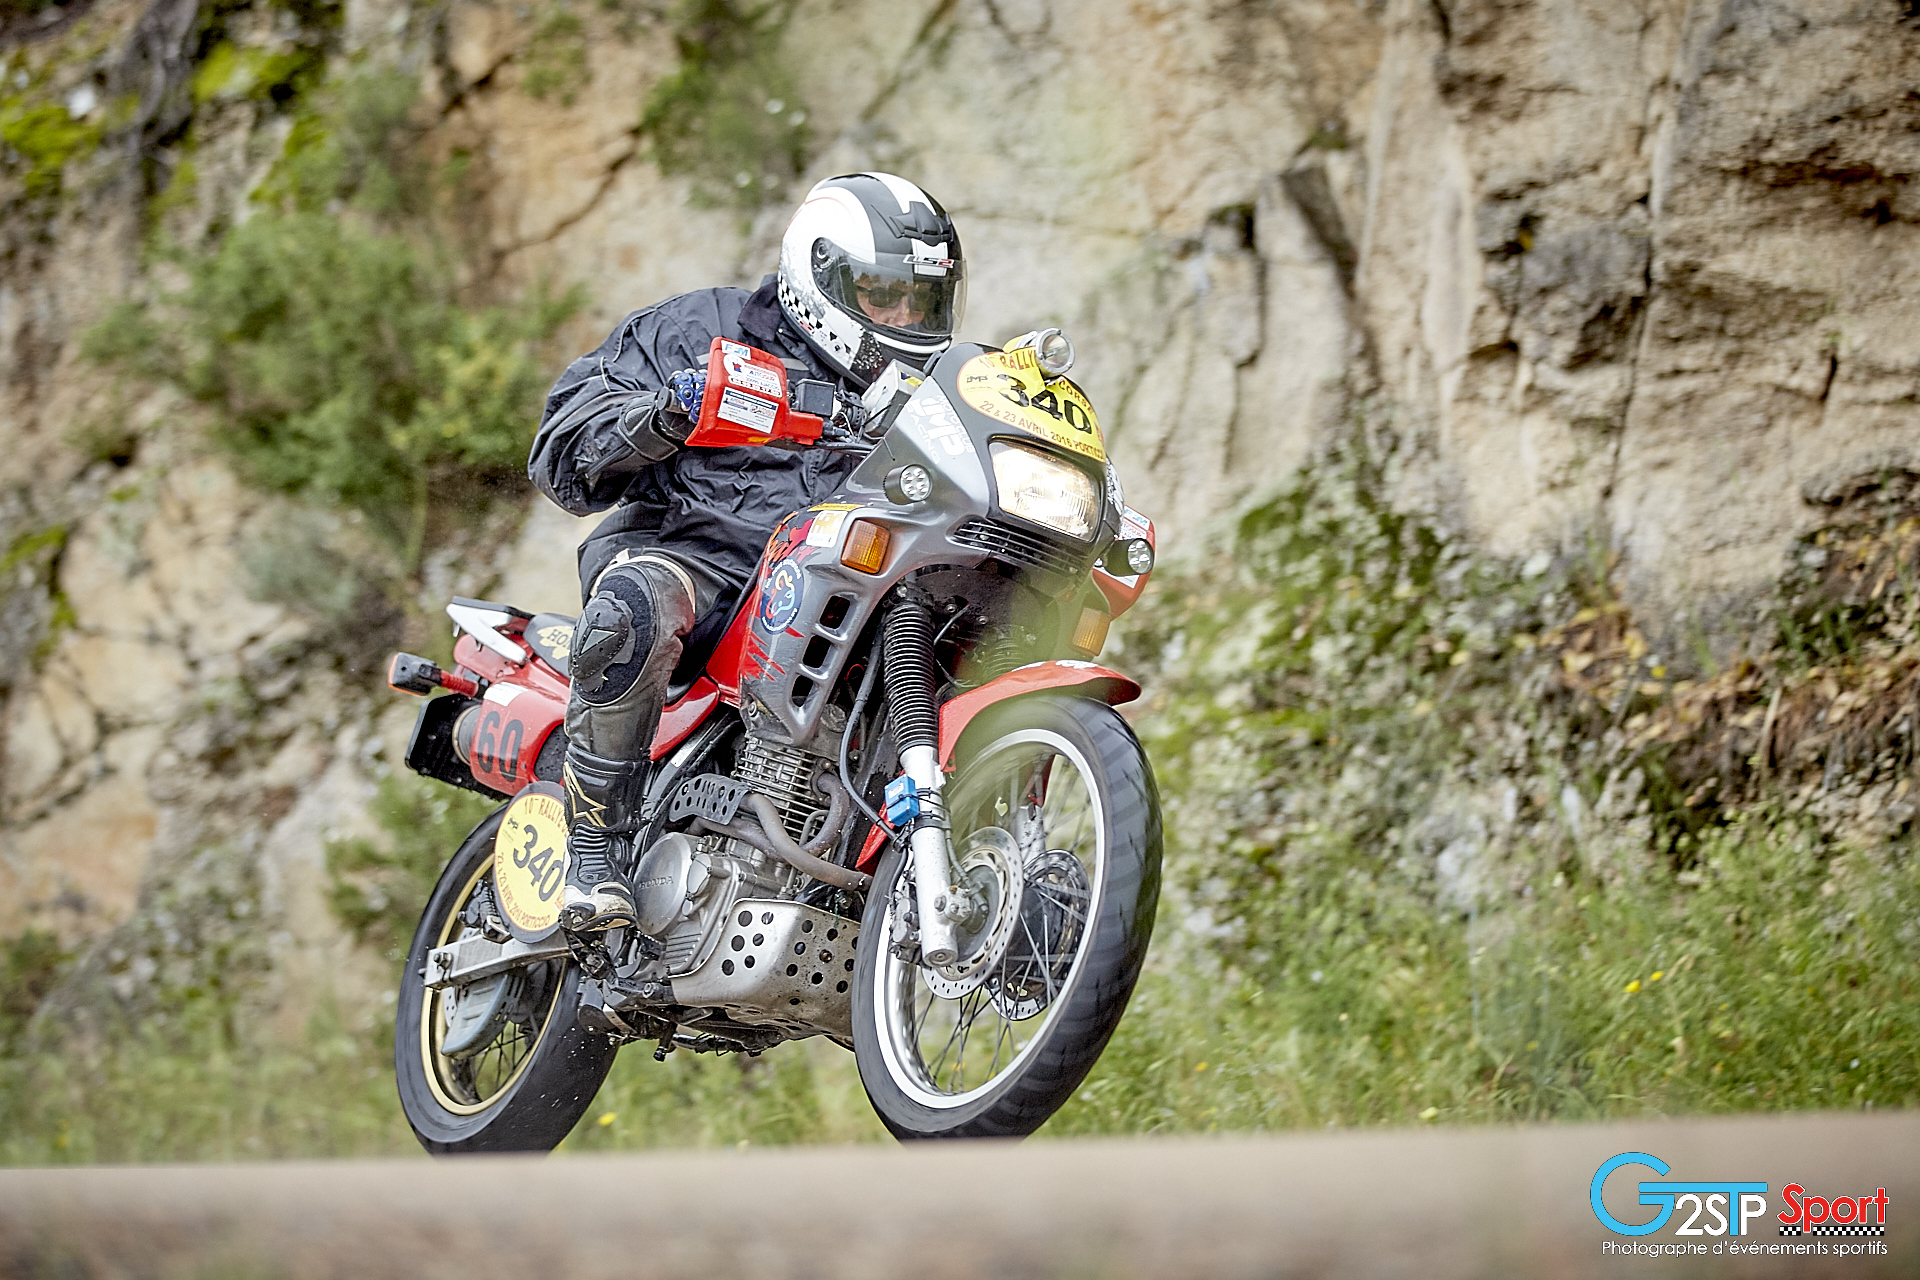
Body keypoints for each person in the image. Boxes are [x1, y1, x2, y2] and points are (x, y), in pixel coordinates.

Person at [526, 172, 966, 936]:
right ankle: (593, 854)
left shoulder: (933, 398)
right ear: (819, 273)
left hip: (851, 584)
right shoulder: (703, 328)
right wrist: (668, 412)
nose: (902, 319)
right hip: (705, 563)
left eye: (920, 302)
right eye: (881, 294)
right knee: (639, 605)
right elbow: (562, 449)